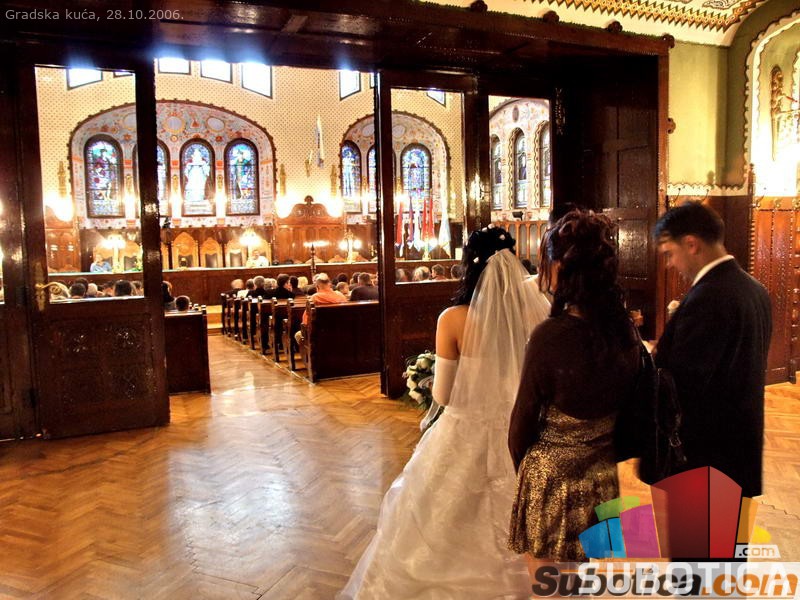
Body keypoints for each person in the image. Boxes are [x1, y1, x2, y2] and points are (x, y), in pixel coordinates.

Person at [339, 225, 550, 599]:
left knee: (442, 517)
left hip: (466, 429)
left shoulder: (453, 318)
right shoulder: (537, 312)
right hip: (521, 431)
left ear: (470, 265)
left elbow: (445, 394)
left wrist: (427, 383)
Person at [508, 209, 640, 564]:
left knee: (548, 580)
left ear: (561, 267)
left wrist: (528, 475)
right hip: (605, 476)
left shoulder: (550, 337)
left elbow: (521, 425)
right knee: (587, 574)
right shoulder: (625, 331)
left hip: (553, 479)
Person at [653, 201, 771, 497]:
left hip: (705, 461)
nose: (669, 264)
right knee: (730, 529)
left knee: (698, 531)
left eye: (669, 254)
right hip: (740, 452)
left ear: (691, 244)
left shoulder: (708, 298)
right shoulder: (754, 289)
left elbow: (681, 387)